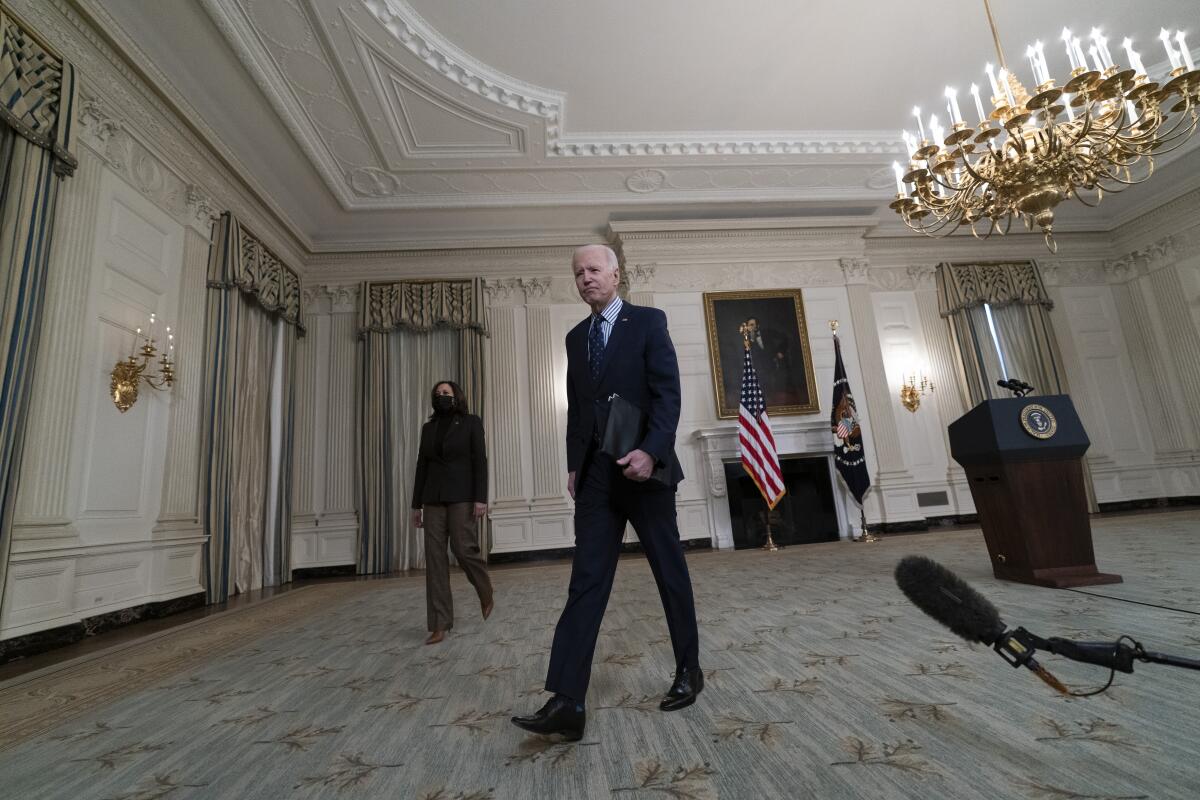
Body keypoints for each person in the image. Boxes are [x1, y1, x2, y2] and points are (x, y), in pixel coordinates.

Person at [511, 244, 701, 742]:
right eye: (577, 273)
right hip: (596, 477)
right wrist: (575, 465)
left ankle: (689, 670)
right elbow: (578, 409)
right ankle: (568, 700)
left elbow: (668, 394)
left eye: (593, 270)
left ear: (617, 274)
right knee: (586, 581)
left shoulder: (648, 322)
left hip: (644, 471)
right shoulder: (576, 338)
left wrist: (651, 452)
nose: (585, 279)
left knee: (669, 573)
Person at [410, 381, 494, 645]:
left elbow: (480, 461)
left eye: (446, 393)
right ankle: (439, 624)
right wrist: (416, 504)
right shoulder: (428, 428)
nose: (441, 396)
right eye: (437, 394)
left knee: (463, 548)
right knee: (435, 559)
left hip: (462, 495)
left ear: (457, 396)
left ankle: (484, 589)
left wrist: (481, 498)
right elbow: (421, 465)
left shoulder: (470, 422)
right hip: (433, 497)